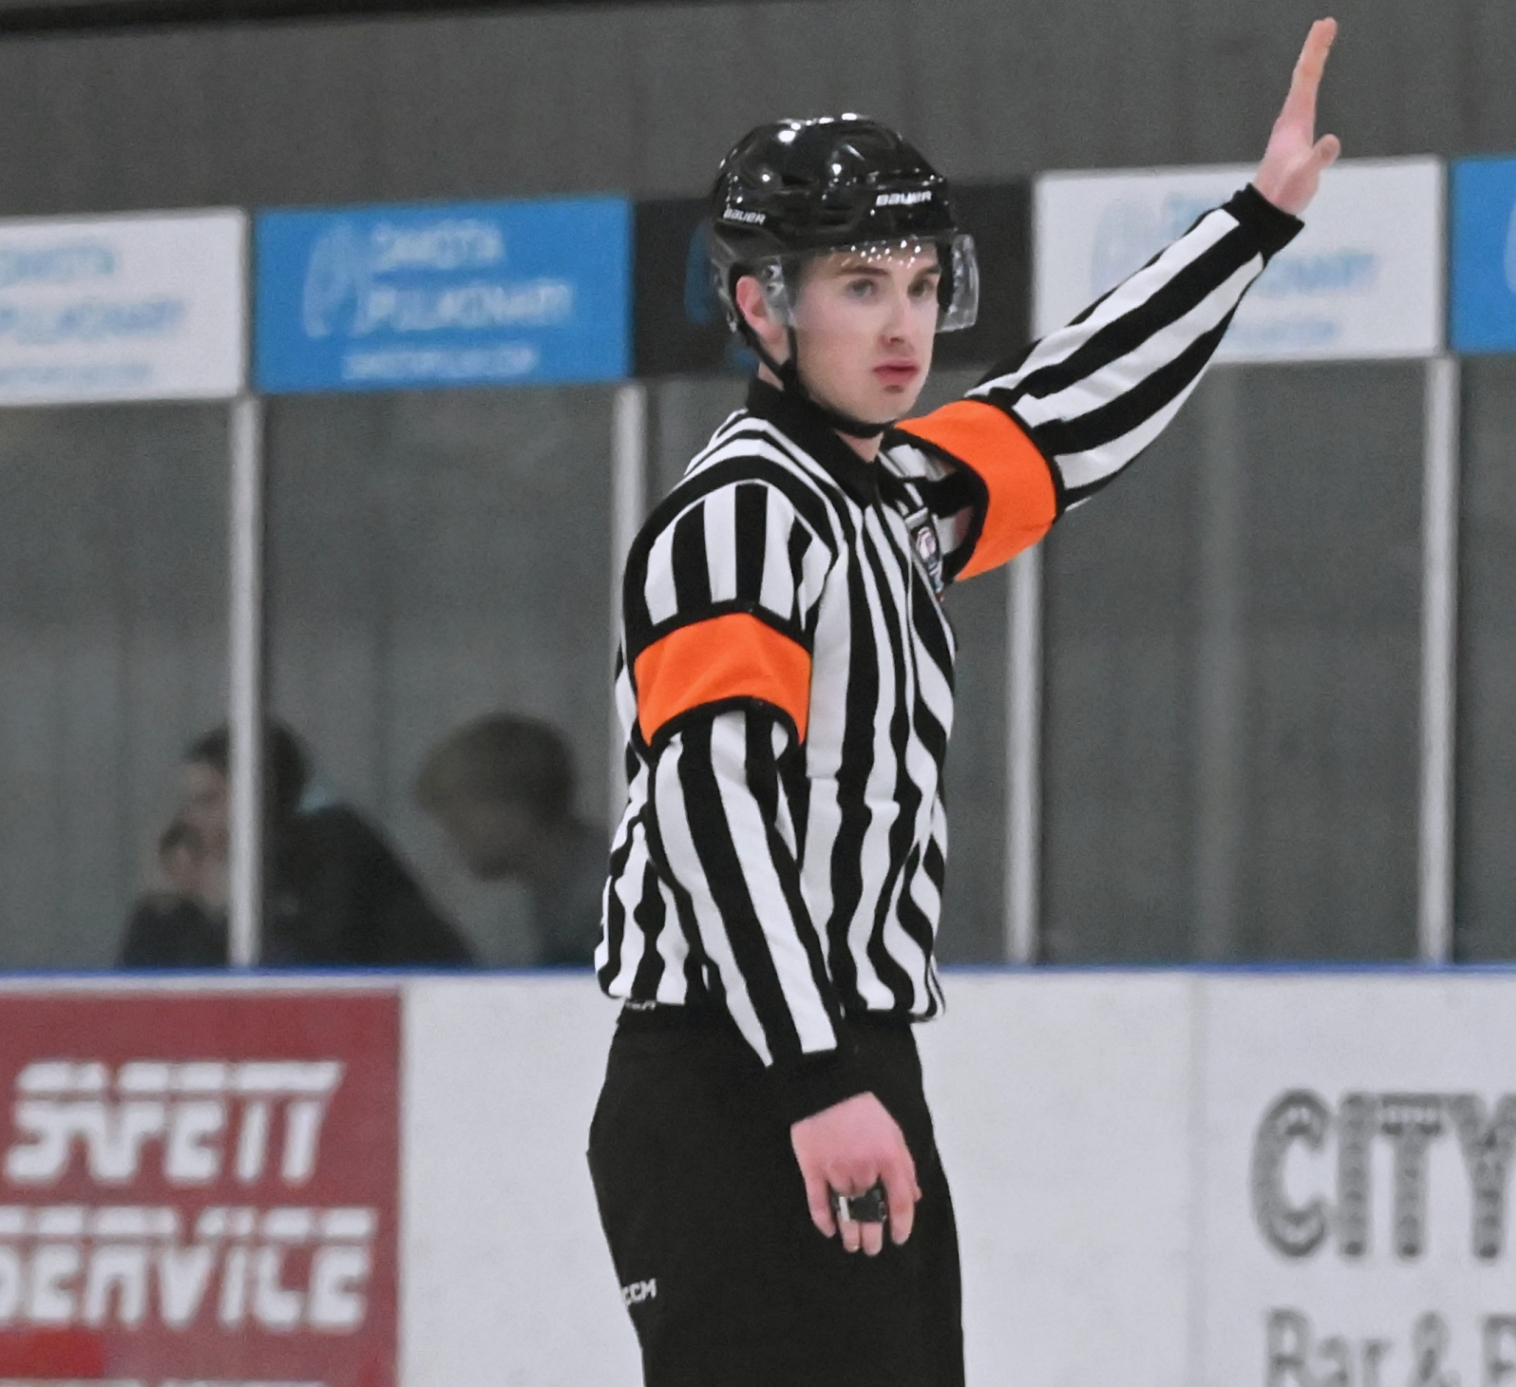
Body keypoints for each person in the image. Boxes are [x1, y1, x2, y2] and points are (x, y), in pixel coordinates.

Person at [586, 21, 1341, 1386]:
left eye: (924, 283)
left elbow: (1061, 411)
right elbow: (713, 809)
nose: (902, 323)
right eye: (859, 283)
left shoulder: (895, 499)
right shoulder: (744, 517)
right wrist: (813, 1077)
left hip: (842, 1054)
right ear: (763, 307)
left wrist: (1256, 223)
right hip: (732, 1072)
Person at [119, 722, 474, 967]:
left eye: (208, 801)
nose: (189, 822)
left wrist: (225, 908)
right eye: (186, 805)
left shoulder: (337, 852)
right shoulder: (199, 880)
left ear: (262, 799)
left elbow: (308, 979)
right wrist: (166, 907)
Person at [415, 713, 610, 966]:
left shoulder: (603, 903)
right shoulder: (563, 893)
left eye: (457, 824)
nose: (449, 841)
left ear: (513, 813)